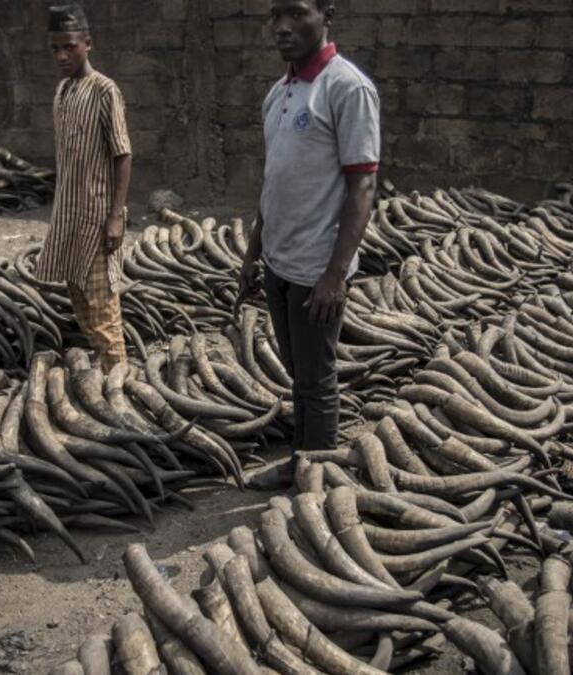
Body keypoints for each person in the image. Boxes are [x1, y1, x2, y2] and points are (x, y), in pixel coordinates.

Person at [240, 0, 380, 489]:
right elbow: (274, 181)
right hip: (279, 260)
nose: (283, 26)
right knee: (299, 371)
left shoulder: (347, 88)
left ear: (327, 14)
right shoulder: (278, 92)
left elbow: (363, 186)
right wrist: (254, 253)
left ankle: (315, 480)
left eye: (297, 13)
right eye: (275, 15)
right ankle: (304, 463)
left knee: (316, 379)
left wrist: (334, 275)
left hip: (317, 266)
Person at [34, 3, 132, 372]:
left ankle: (119, 379)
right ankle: (104, 368)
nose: (62, 55)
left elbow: (123, 154)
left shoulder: (105, 90)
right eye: (55, 48)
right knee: (78, 299)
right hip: (68, 218)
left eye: (69, 46)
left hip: (96, 218)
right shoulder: (62, 93)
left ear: (87, 43)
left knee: (103, 307)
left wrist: (116, 217)